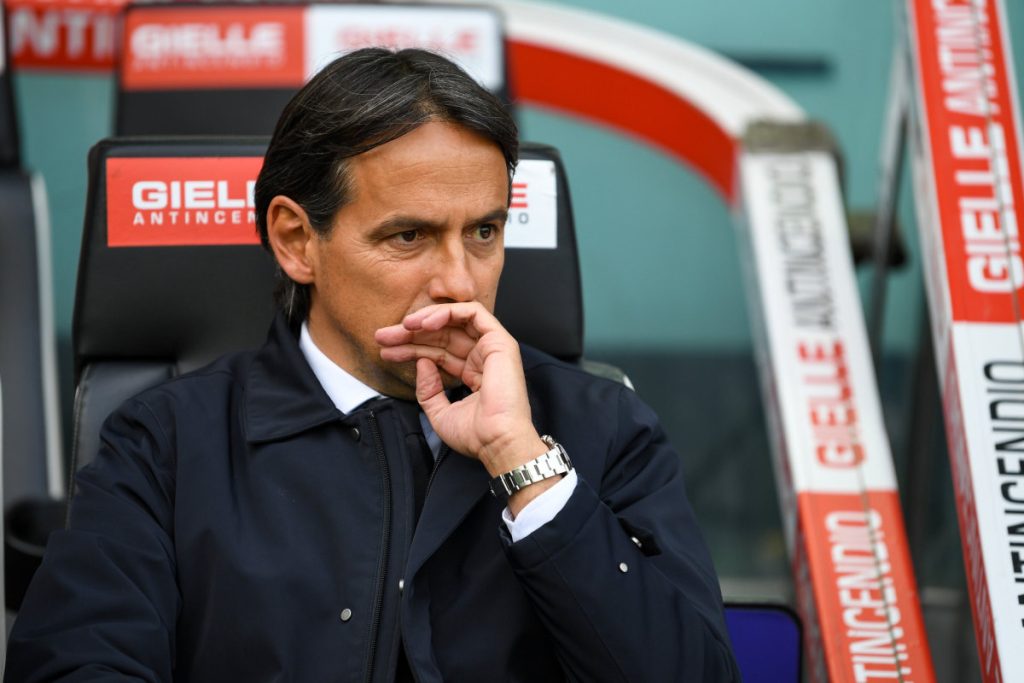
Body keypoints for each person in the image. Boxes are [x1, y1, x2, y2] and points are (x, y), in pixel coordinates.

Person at [6, 48, 739, 682]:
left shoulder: (601, 429)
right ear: (297, 241)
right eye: (409, 236)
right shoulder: (167, 445)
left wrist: (525, 468)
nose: (459, 281)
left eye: (484, 232)